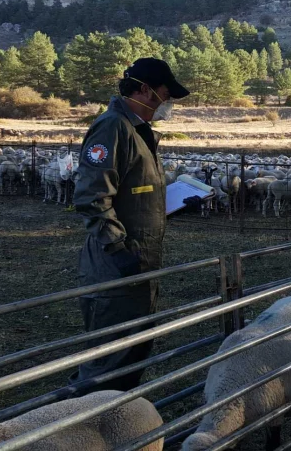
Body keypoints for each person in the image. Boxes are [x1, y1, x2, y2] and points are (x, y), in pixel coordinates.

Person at [70, 56, 199, 393]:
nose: (168, 103)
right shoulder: (112, 127)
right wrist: (117, 248)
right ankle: (79, 429)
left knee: (132, 354)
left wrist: (175, 205)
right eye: (165, 94)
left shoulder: (138, 132)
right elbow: (91, 197)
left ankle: (117, 429)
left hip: (140, 263)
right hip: (116, 266)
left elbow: (135, 196)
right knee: (108, 360)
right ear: (144, 90)